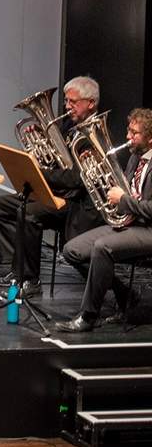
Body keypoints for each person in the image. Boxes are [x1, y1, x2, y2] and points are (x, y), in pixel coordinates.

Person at [0, 77, 103, 295]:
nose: (67, 106)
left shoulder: (95, 133)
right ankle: (17, 268)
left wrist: (43, 173)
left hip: (76, 202)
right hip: (57, 191)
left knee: (28, 213)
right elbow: (58, 163)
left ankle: (30, 280)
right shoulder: (69, 126)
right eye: (66, 101)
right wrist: (38, 158)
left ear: (91, 103)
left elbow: (78, 179)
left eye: (73, 102)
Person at [59, 108, 152, 332]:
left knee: (103, 247)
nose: (128, 137)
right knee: (72, 249)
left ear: (150, 138)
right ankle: (125, 295)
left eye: (135, 133)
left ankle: (87, 316)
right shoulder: (134, 158)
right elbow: (125, 190)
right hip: (130, 224)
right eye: (129, 131)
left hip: (148, 229)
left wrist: (122, 200)